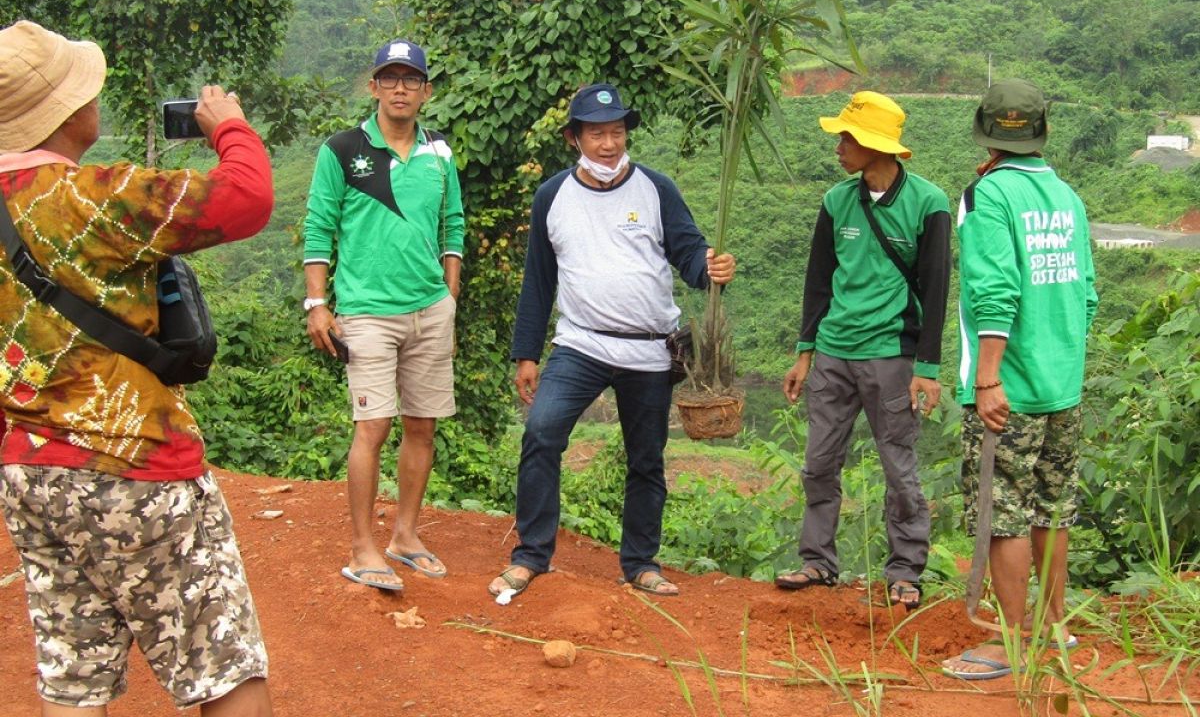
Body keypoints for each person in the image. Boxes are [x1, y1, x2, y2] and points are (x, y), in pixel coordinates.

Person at [0, 21, 272, 715]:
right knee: (224, 667)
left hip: (29, 470)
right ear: (66, 114)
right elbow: (246, 197)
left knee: (74, 678)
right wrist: (230, 126)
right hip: (135, 466)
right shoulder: (97, 197)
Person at [490, 83, 735, 599]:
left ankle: (640, 563)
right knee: (541, 432)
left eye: (617, 132)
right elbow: (539, 280)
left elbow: (689, 253)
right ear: (573, 138)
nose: (608, 144)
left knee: (646, 457)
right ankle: (531, 555)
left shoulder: (655, 188)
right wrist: (527, 354)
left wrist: (711, 267)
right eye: (597, 133)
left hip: (649, 349)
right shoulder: (552, 195)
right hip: (580, 344)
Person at [942, 79, 1097, 680]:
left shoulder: (987, 196)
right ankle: (1055, 627)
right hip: (1064, 382)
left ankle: (1007, 643)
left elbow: (993, 289)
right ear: (1041, 132)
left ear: (984, 131)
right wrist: (1064, 359)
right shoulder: (1067, 197)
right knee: (1053, 507)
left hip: (1012, 386)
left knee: (1002, 509)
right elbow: (1086, 295)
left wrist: (987, 378)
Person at [777, 91, 950, 610]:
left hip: (892, 355)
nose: (838, 146)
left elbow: (937, 287)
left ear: (877, 145)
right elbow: (819, 280)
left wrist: (928, 367)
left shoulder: (929, 203)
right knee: (818, 462)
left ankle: (905, 572)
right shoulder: (836, 201)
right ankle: (817, 562)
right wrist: (805, 351)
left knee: (898, 467)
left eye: (847, 137)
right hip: (833, 351)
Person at [303, 39, 464, 592]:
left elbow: (454, 226)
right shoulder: (344, 149)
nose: (401, 88)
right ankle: (362, 546)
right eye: (390, 78)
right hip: (367, 312)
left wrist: (449, 298)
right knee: (372, 426)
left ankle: (404, 536)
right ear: (373, 87)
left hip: (429, 311)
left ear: (426, 90)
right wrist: (317, 303)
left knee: (422, 426)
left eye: (411, 79)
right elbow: (319, 227)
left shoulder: (440, 151)